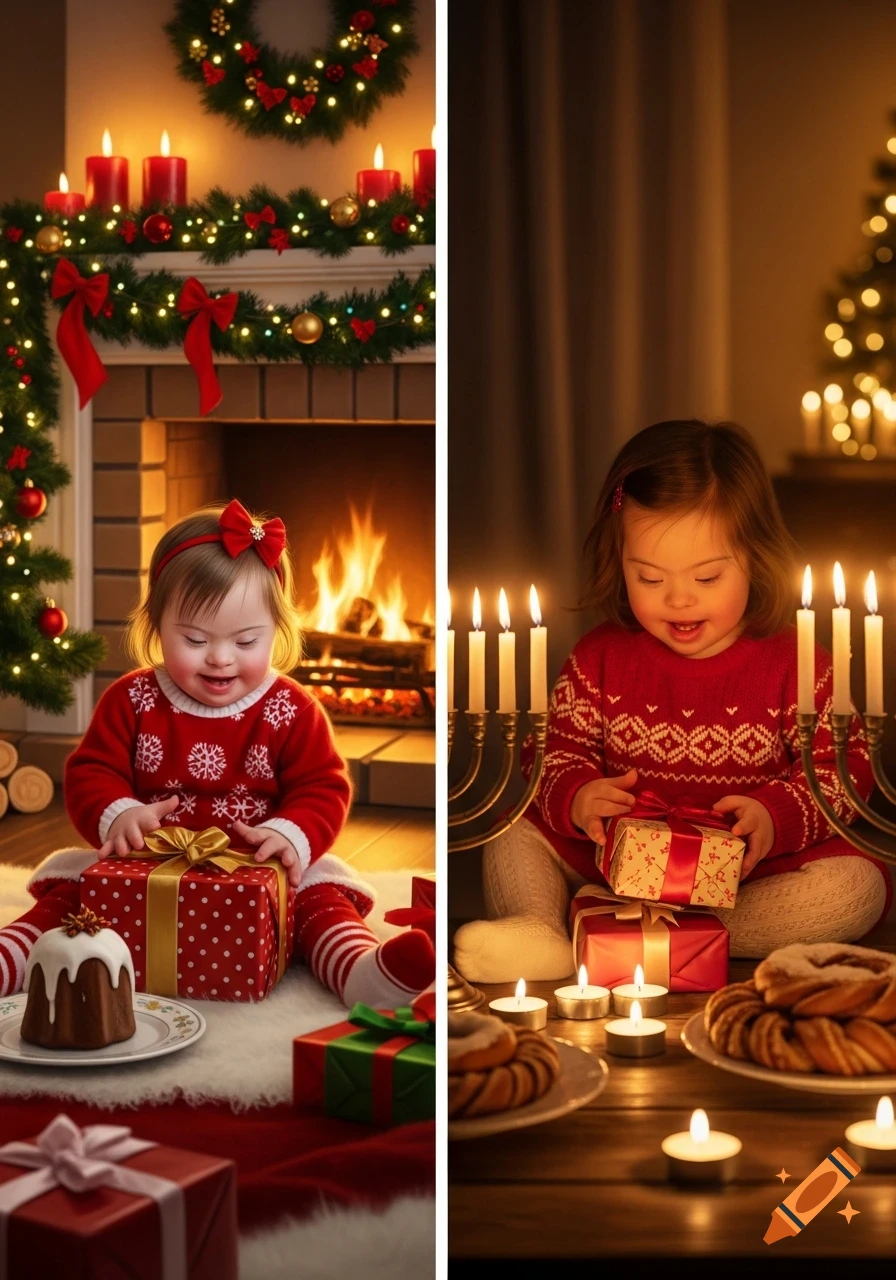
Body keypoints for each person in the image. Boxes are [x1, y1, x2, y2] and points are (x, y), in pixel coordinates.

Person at [454, 420, 892, 983]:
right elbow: (549, 752)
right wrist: (578, 794)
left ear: (753, 558)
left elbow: (846, 771)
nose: (679, 599)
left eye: (707, 577)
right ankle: (540, 927)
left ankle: (637, 933)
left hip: (744, 880)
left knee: (855, 888)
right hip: (611, 864)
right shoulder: (600, 659)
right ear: (621, 561)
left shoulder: (798, 663)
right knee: (514, 830)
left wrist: (775, 815)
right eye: (650, 578)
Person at [0, 499, 434, 1004]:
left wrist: (289, 833)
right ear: (156, 624)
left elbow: (323, 786)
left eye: (247, 640)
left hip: (257, 867)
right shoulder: (133, 699)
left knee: (320, 900)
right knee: (71, 899)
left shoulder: (290, 709)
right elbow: (91, 770)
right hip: (144, 865)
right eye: (194, 638)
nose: (221, 658)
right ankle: (12, 958)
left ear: (278, 631)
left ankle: (361, 972)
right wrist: (118, 813)